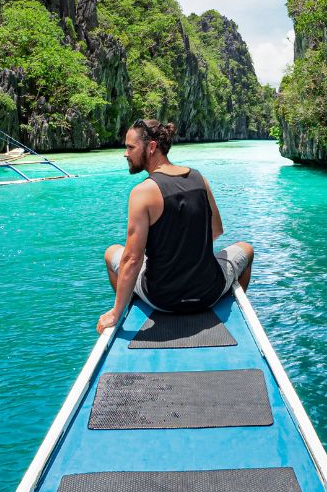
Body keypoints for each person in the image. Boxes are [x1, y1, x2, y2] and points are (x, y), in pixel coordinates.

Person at [98, 119, 253, 332]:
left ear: (151, 147)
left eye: (130, 147)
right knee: (247, 249)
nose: (126, 153)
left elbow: (132, 259)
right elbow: (216, 230)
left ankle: (124, 308)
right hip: (209, 293)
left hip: (162, 300)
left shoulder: (142, 192)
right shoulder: (199, 178)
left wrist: (113, 314)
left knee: (111, 253)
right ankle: (232, 309)